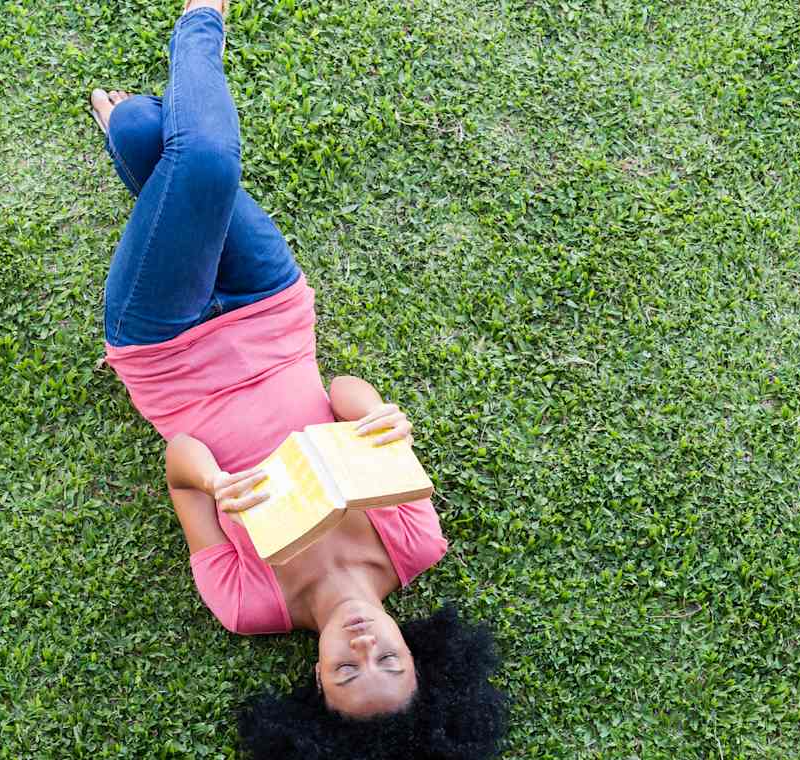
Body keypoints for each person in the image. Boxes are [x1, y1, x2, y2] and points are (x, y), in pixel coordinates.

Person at [90, 2, 509, 757]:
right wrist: (380, 413)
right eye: (390, 659)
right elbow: (342, 394)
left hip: (166, 350)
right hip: (274, 317)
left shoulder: (251, 605)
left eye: (349, 671)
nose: (362, 645)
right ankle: (141, 151)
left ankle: (200, 19)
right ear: (419, 656)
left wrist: (217, 486)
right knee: (154, 143)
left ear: (317, 684)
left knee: (205, 163)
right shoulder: (416, 545)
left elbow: (179, 463)